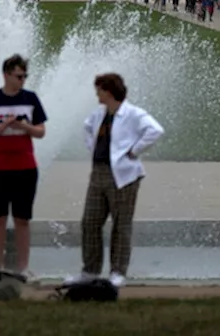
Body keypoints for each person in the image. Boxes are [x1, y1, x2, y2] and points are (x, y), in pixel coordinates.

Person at [66, 72, 164, 289]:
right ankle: (90, 270)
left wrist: (134, 150)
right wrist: (94, 149)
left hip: (124, 175)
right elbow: (87, 128)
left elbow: (155, 130)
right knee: (90, 222)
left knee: (121, 224)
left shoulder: (133, 114)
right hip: (99, 172)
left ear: (108, 91)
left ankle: (118, 271)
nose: (96, 94)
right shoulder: (99, 114)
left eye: (99, 90)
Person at [0, 54, 47, 276]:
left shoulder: (31, 99)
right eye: (18, 76)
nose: (22, 80)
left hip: (25, 166)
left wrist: (24, 127)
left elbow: (41, 131)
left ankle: (23, 268)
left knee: (22, 219)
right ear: (6, 74)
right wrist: (1, 127)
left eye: (25, 76)